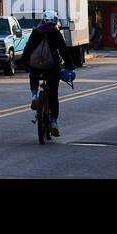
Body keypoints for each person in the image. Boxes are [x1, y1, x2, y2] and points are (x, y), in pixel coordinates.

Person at [24, 10, 79, 138]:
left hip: (36, 65)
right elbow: (64, 51)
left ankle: (33, 96)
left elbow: (28, 48)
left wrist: (25, 62)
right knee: (53, 94)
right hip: (51, 67)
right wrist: (70, 65)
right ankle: (54, 123)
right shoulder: (56, 33)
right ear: (55, 21)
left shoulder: (36, 31)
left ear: (43, 20)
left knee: (33, 74)